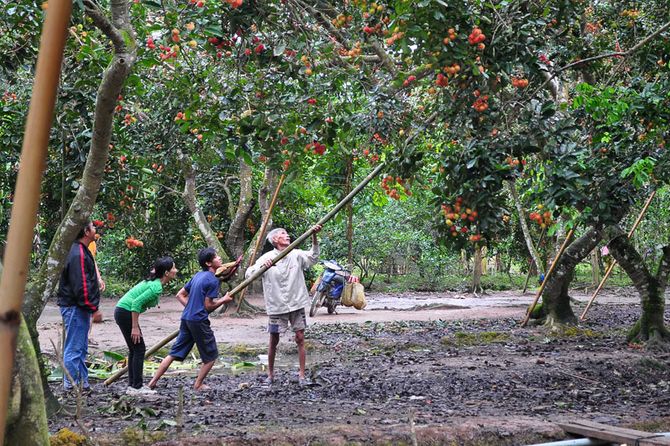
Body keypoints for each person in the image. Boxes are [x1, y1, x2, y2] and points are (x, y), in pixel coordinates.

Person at [245, 225, 321, 386]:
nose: (287, 236)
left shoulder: (296, 254)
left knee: (300, 337)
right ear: (275, 240)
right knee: (274, 339)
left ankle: (301, 375)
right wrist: (262, 266)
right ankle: (270, 375)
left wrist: (314, 236)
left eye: (287, 233)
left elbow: (313, 258)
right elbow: (249, 274)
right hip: (277, 305)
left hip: (296, 302)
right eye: (283, 234)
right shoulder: (267, 257)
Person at [148, 248, 232, 391]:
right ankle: (198, 384)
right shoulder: (213, 280)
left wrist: (192, 307)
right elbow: (208, 306)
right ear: (208, 263)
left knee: (173, 353)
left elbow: (180, 294)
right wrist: (223, 300)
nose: (220, 259)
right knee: (211, 356)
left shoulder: (198, 275)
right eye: (217, 257)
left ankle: (152, 383)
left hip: (187, 318)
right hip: (198, 320)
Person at [115, 257, 178, 395]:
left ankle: (133, 386)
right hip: (125, 312)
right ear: (166, 273)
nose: (176, 270)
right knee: (139, 349)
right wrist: (135, 327)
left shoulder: (155, 283)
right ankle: (137, 387)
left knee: (134, 349)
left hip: (122, 311)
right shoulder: (156, 287)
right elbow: (136, 304)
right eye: (173, 268)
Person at [57, 221, 101, 392]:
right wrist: (93, 308)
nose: (95, 229)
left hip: (79, 307)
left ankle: (82, 383)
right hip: (76, 307)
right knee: (75, 347)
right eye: (93, 226)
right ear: (86, 231)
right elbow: (81, 286)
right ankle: (71, 385)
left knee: (80, 347)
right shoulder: (78, 254)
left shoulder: (81, 251)